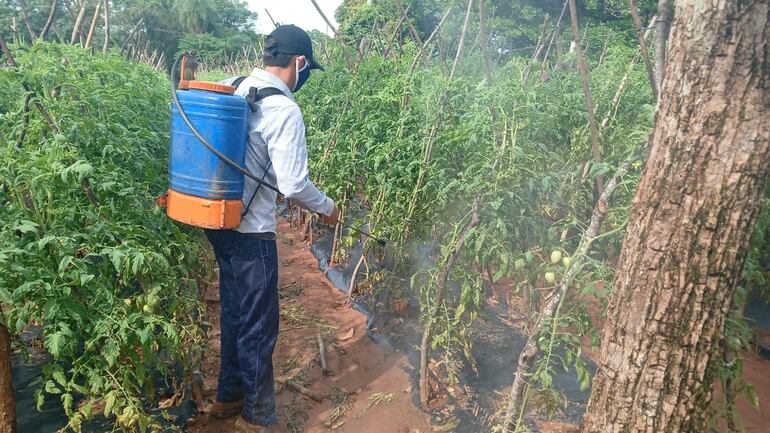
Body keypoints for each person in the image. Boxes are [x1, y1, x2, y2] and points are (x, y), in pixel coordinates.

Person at [203, 24, 339, 432]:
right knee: (259, 325)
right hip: (253, 233)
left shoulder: (232, 85)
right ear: (299, 62)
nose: (305, 76)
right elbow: (293, 183)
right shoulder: (284, 109)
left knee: (234, 312)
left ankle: (228, 397)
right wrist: (328, 208)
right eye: (307, 68)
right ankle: (257, 418)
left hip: (218, 222)